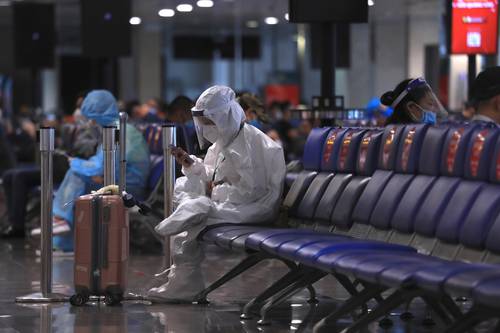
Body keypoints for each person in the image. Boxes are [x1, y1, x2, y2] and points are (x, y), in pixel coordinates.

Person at [148, 85, 286, 302]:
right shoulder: (225, 141)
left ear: (225, 117)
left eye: (210, 123)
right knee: (185, 184)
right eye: (204, 124)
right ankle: (191, 212)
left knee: (195, 218)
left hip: (256, 207)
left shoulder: (252, 145)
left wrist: (215, 191)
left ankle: (184, 284)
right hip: (233, 202)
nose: (207, 128)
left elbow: (250, 193)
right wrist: (193, 165)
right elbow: (213, 173)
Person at [30, 90, 150, 252]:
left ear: (99, 113)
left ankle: (60, 220)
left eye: (91, 118)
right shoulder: (113, 127)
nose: (90, 123)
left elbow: (104, 166)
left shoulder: (119, 130)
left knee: (77, 174)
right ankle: (63, 243)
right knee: (79, 179)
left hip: (128, 184)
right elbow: (103, 162)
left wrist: (77, 164)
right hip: (118, 177)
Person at [381, 77, 446, 125]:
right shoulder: (408, 139)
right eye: (430, 104)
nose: (435, 110)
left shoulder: (396, 133)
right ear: (411, 107)